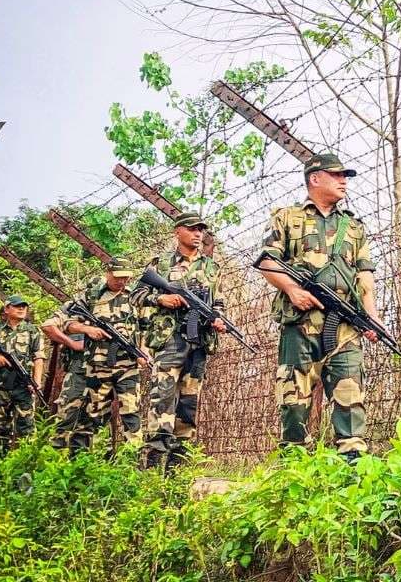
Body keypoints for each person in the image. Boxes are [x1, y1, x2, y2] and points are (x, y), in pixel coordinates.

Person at [256, 152, 383, 462]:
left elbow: (364, 273)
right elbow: (267, 261)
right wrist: (292, 290)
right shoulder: (288, 217)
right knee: (294, 398)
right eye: (337, 175)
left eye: (345, 176)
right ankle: (295, 466)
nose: (343, 181)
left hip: (344, 325)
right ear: (315, 178)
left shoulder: (352, 226)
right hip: (300, 324)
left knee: (350, 395)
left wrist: (371, 316)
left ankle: (352, 465)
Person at [133, 213, 226, 471]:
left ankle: (178, 469)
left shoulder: (211, 267)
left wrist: (218, 319)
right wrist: (161, 299)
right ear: (178, 231)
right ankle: (152, 467)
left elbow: (218, 301)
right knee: (162, 400)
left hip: (198, 342)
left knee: (188, 404)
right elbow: (137, 294)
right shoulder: (161, 263)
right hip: (169, 339)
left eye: (201, 230)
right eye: (192, 229)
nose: (198, 234)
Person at [54, 257, 150, 453]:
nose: (121, 282)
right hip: (97, 366)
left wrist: (143, 352)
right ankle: (98, 460)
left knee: (131, 413)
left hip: (128, 367)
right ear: (108, 273)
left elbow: (146, 328)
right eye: (117, 277)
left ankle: (132, 460)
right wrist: (88, 330)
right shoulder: (91, 296)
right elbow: (67, 324)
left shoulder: (135, 298)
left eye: (126, 278)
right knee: (96, 414)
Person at [0, 295, 48, 449]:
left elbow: (39, 357)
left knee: (27, 429)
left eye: (24, 306)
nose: (21, 308)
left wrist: (35, 382)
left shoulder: (32, 331)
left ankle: (25, 465)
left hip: (23, 386)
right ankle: (0, 464)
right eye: (17, 306)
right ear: (7, 309)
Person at [42, 309, 91, 452]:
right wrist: (72, 343)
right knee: (67, 416)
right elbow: (48, 326)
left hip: (103, 373)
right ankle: (54, 460)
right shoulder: (77, 308)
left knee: (89, 422)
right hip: (78, 370)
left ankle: (81, 463)